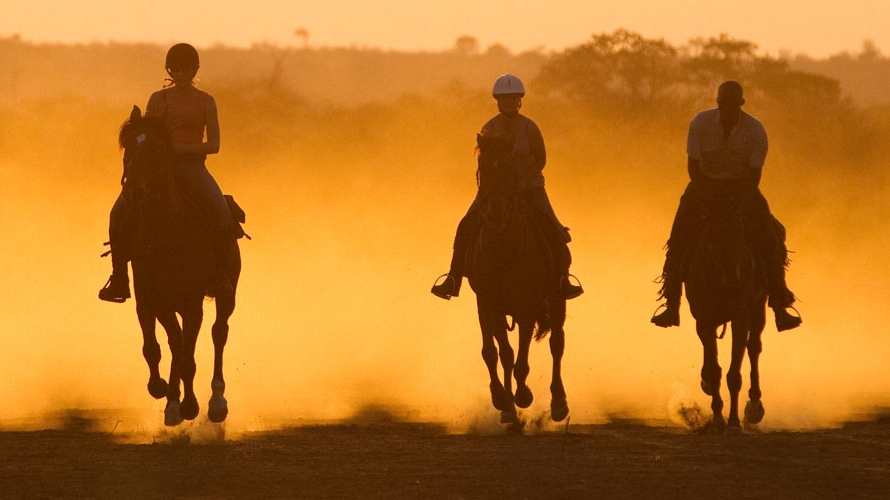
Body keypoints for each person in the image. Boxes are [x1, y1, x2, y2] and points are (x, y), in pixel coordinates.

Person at [651, 80, 802, 331]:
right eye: (724, 105)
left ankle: (779, 304)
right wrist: (709, 196)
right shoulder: (701, 123)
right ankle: (671, 304)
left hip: (743, 188)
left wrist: (738, 200)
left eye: (733, 106)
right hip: (703, 186)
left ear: (741, 105)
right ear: (718, 104)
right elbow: (693, 169)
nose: (728, 110)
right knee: (678, 238)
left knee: (770, 238)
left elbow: (754, 176)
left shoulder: (755, 130)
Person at [98, 42, 235, 302]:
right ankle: (120, 279)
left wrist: (183, 149)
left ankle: (219, 275)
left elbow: (214, 144)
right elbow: (149, 133)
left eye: (186, 70)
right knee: (117, 213)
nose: (181, 75)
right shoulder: (157, 99)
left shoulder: (206, 101)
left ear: (195, 71)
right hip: (160, 169)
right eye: (176, 70)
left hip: (194, 167)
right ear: (169, 71)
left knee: (221, 211)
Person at [431, 73, 583, 301]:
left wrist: (524, 179)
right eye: (505, 99)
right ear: (498, 101)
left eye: (513, 98)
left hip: (530, 188)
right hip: (495, 191)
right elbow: (483, 160)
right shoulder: (489, 128)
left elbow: (541, 159)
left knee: (554, 229)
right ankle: (453, 279)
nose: (509, 102)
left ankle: (563, 280)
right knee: (465, 225)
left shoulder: (530, 128)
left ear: (520, 100)